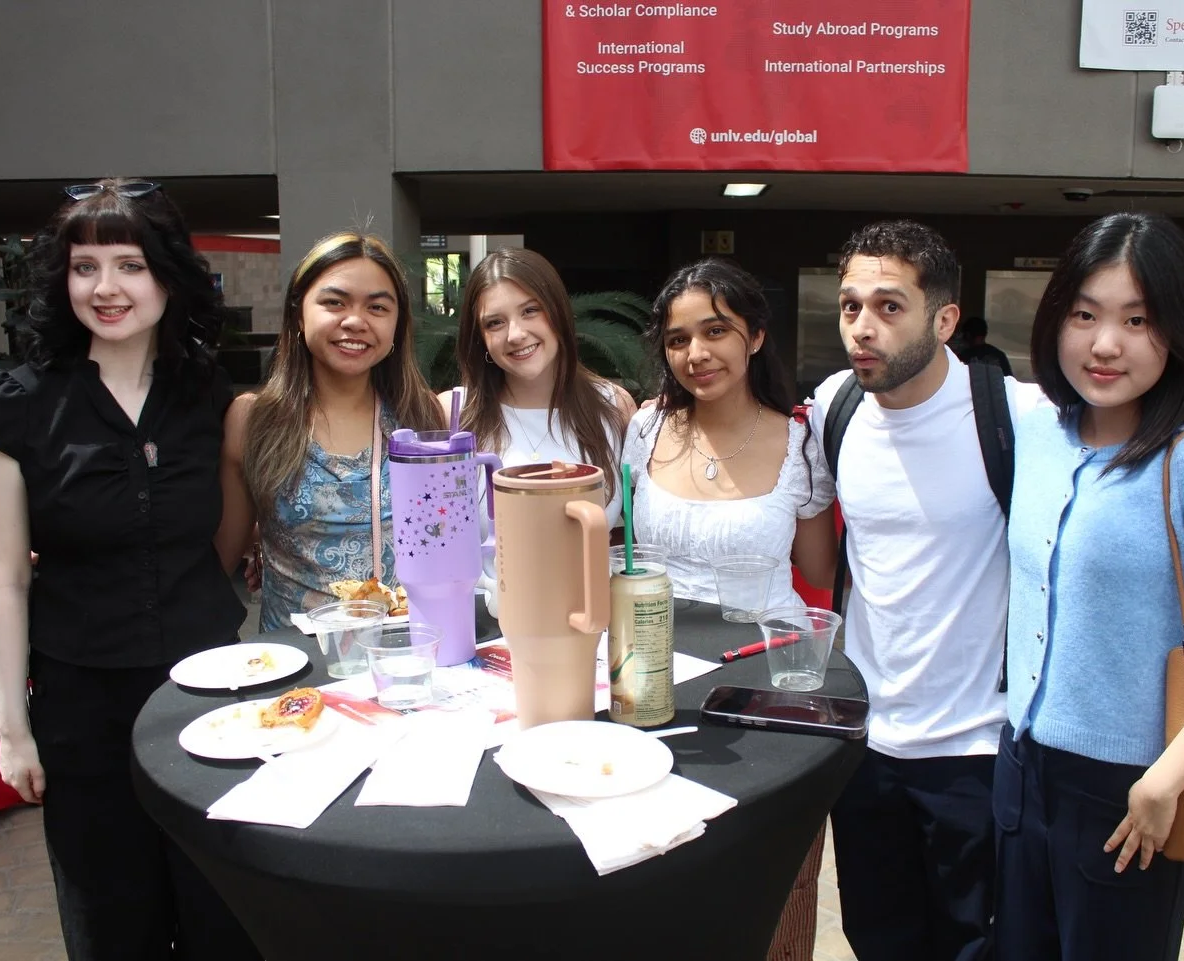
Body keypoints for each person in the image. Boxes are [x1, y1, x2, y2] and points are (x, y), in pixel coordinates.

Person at [0, 179, 259, 960]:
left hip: (209, 699)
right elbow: (6, 577)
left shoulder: (205, 394)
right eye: (84, 266)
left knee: (223, 914)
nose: (107, 287)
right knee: (110, 922)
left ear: (166, 274)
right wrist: (13, 732)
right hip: (83, 705)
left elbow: (221, 540)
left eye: (129, 264)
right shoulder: (16, 405)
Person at [994, 212, 1184, 961]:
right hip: (1021, 764)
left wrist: (1165, 782)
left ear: (1180, 331)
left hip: (1129, 789)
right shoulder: (1039, 431)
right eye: (1085, 314)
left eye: (1138, 319)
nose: (1105, 343)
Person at [810, 220, 1044, 961]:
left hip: (977, 744)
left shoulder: (1018, 415)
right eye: (851, 307)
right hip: (867, 742)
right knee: (879, 938)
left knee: (975, 943)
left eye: (888, 306)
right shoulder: (833, 407)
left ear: (944, 319)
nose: (863, 328)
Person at [625, 258, 836, 961]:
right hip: (653, 677)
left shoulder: (801, 438)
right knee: (658, 866)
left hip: (764, 683)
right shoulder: (645, 426)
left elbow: (816, 572)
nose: (696, 354)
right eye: (678, 338)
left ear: (755, 336)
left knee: (770, 873)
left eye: (716, 330)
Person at [216, 232, 445, 630]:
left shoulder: (422, 416)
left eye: (377, 307)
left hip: (404, 656)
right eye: (334, 302)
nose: (355, 321)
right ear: (298, 314)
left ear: (397, 325)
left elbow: (444, 541)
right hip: (298, 666)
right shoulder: (253, 422)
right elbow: (220, 560)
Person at [439, 247, 635, 526]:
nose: (516, 335)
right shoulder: (453, 414)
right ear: (480, 337)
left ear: (558, 312)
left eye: (530, 310)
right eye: (495, 323)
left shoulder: (615, 406)